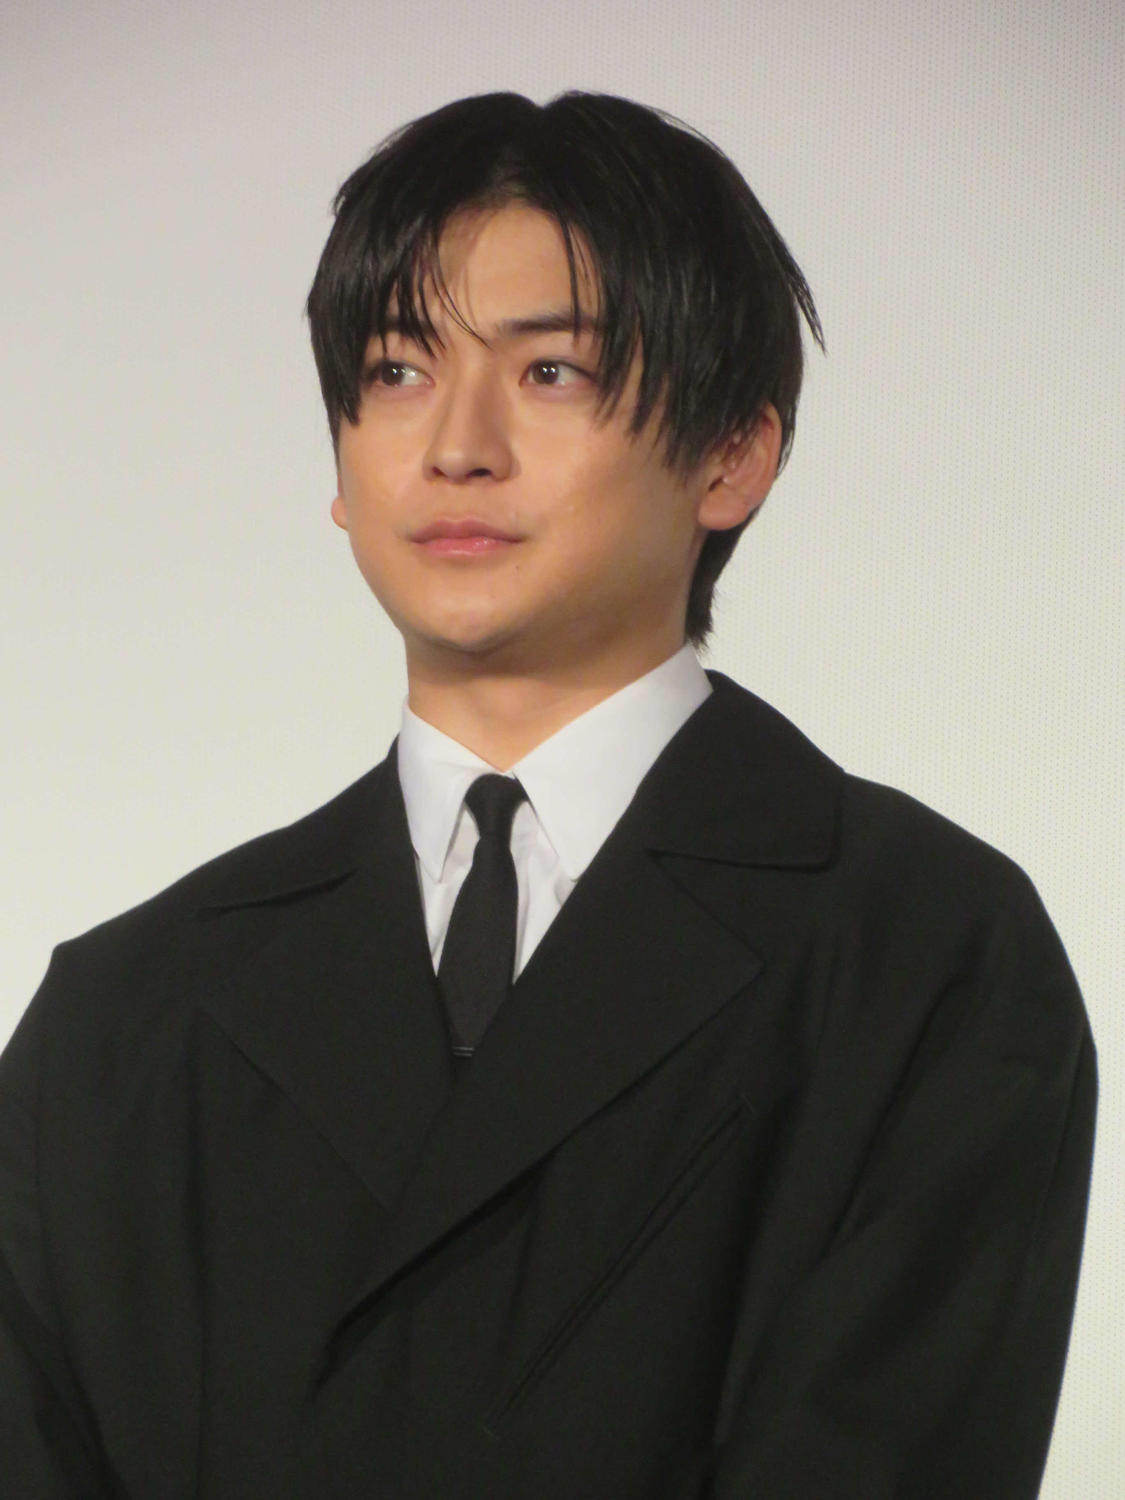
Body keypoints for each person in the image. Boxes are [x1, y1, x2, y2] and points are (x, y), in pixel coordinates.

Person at [0, 90, 1096, 1499]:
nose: (456, 444)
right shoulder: (120, 1018)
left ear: (732, 455)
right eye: (398, 369)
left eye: (552, 371)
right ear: (338, 462)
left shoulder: (925, 950)